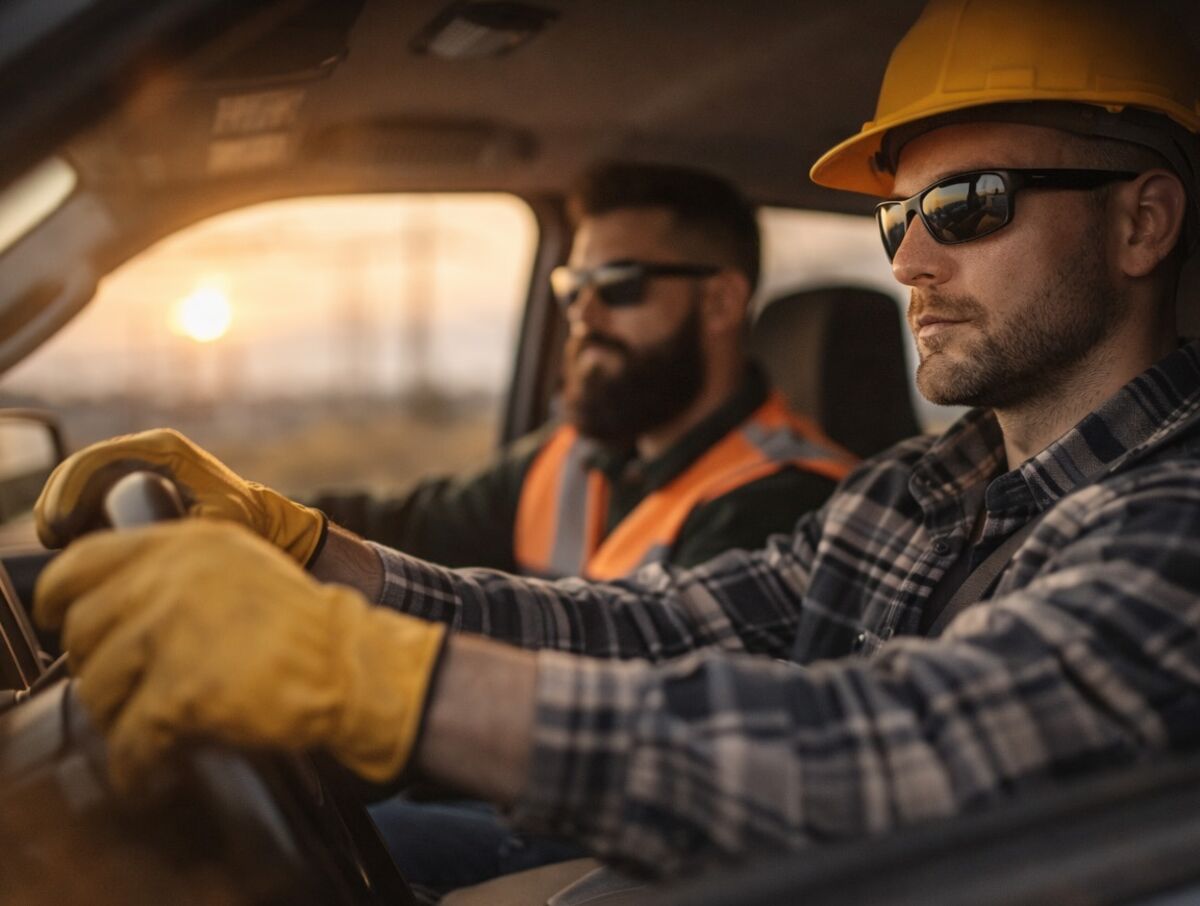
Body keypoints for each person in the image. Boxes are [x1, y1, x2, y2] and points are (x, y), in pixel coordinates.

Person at [30, 0, 1200, 900]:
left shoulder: (1177, 513)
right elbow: (652, 629)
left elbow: (905, 752)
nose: (906, 263)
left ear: (1142, 222)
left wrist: (373, 680)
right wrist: (319, 559)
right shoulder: (917, 490)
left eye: (970, 205)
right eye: (900, 218)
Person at [310, 161, 854, 580]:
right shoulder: (576, 454)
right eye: (573, 288)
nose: (582, 316)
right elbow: (401, 530)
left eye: (618, 284)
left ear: (720, 302)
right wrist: (256, 516)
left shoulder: (787, 502)